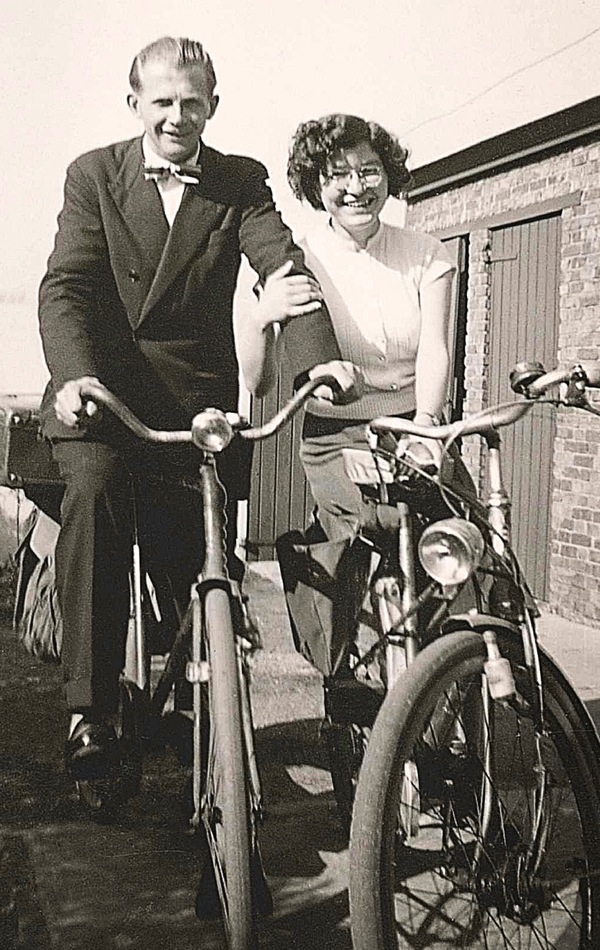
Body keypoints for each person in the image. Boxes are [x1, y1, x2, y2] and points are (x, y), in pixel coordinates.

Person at [38, 38, 360, 784]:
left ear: (212, 105)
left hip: (196, 406)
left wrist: (319, 360)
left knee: (202, 562)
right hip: (106, 402)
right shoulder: (94, 175)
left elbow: (283, 266)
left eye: (192, 102)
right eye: (162, 102)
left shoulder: (238, 180)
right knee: (95, 494)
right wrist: (75, 376)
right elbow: (67, 287)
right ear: (135, 105)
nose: (176, 116)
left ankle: (205, 694)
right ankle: (90, 710)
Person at [241, 112, 458, 544]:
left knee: (466, 542)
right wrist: (261, 317)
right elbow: (257, 383)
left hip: (415, 428)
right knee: (373, 536)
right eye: (338, 175)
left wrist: (426, 427)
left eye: (369, 171)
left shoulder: (427, 253)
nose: (356, 188)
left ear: (389, 175)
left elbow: (435, 349)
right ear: (315, 186)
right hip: (334, 437)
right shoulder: (297, 261)